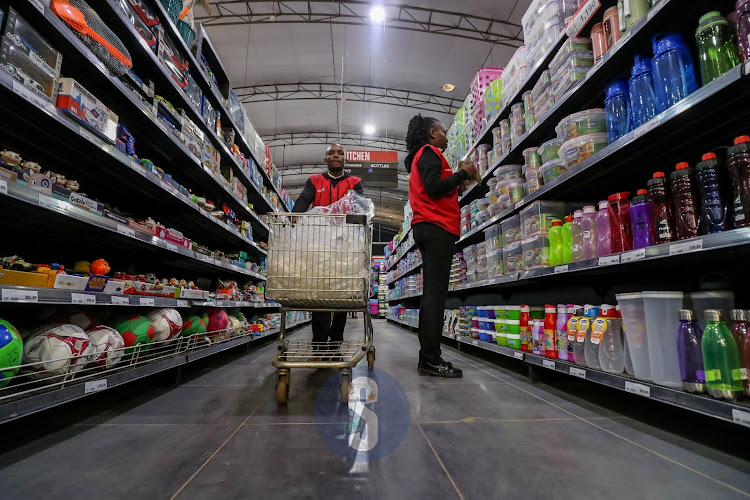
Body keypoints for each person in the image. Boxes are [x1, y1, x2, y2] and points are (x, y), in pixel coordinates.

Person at [404, 114, 477, 377]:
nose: (446, 135)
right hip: (436, 228)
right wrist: (462, 174)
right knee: (435, 296)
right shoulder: (428, 151)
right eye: (443, 131)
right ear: (433, 133)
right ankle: (431, 358)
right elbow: (434, 187)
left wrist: (460, 178)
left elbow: (436, 188)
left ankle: (428, 357)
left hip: (430, 227)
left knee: (432, 295)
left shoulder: (425, 156)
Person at [293, 143, 364, 357]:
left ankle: (335, 341)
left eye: (340, 153)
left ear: (345, 159)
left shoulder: (354, 182)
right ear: (325, 159)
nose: (336, 156)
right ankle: (319, 342)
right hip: (319, 246)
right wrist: (294, 215)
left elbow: (360, 207)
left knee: (343, 295)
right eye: (331, 153)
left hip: (345, 247)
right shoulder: (315, 180)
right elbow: (304, 200)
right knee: (319, 294)